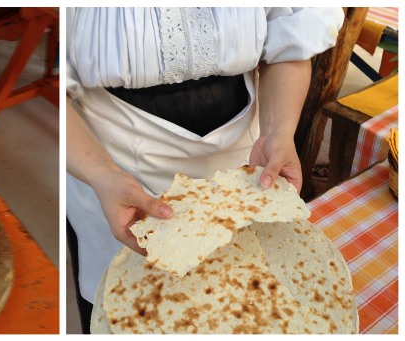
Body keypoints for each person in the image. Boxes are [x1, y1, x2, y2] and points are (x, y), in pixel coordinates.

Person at [65, 7, 344, 333]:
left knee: (245, 312)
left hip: (246, 165)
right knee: (136, 315)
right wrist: (102, 174)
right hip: (116, 173)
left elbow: (288, 38)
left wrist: (278, 131)